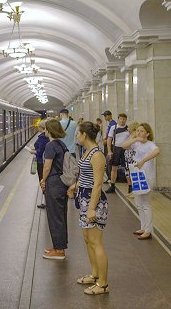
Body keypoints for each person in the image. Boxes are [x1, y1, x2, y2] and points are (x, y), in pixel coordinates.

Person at [69, 121, 109, 295]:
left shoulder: (97, 155)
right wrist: (76, 185)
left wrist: (92, 208)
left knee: (96, 242)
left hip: (94, 201)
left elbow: (98, 183)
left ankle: (103, 284)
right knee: (87, 239)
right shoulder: (86, 152)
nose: (76, 136)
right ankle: (94, 275)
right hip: (84, 197)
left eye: (78, 134)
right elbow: (86, 175)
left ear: (85, 135)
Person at [121, 123, 160, 240]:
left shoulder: (150, 144)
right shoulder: (136, 144)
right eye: (137, 131)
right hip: (137, 176)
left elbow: (157, 151)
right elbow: (124, 145)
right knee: (139, 204)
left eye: (142, 131)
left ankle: (148, 230)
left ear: (147, 133)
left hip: (147, 176)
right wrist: (135, 138)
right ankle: (143, 227)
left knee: (146, 204)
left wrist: (143, 160)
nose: (139, 132)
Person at [40, 118, 69, 260]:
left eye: (45, 129)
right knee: (60, 215)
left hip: (54, 182)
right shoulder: (61, 144)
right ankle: (59, 246)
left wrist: (43, 180)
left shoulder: (50, 146)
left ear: (49, 130)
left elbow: (47, 166)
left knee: (54, 216)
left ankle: (59, 251)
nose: (44, 131)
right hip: (61, 182)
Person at [105, 113, 130, 194]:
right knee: (114, 168)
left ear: (126, 120)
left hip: (125, 150)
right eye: (121, 119)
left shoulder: (128, 128)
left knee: (127, 168)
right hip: (116, 149)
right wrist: (109, 151)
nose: (122, 120)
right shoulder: (113, 127)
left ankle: (130, 187)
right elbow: (109, 140)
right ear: (118, 119)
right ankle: (112, 186)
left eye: (124, 119)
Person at [30, 120, 49, 209]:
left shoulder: (43, 137)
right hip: (43, 161)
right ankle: (46, 200)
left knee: (42, 180)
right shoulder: (46, 137)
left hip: (41, 162)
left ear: (41, 128)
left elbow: (40, 151)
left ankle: (46, 201)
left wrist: (33, 151)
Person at [101, 110, 117, 185]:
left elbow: (112, 136)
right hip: (107, 143)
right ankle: (109, 177)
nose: (104, 117)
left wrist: (107, 140)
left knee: (109, 161)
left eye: (105, 116)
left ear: (109, 115)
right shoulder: (110, 123)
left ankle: (110, 177)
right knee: (107, 161)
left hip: (110, 145)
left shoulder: (113, 123)